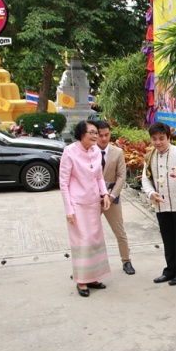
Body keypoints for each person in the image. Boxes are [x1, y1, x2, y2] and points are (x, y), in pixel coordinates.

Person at [59, 120, 111, 297]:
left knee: (95, 239)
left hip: (93, 203)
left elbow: (99, 177)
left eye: (97, 132)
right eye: (92, 132)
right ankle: (81, 281)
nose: (96, 135)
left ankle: (94, 277)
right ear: (81, 134)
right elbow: (63, 183)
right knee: (82, 241)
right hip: (77, 204)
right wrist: (68, 210)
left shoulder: (96, 151)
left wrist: (105, 195)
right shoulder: (70, 152)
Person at [142, 122, 176, 286]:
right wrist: (151, 193)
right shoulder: (150, 156)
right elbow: (145, 178)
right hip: (161, 203)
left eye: (161, 138)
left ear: (168, 137)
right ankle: (170, 270)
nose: (158, 142)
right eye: (154, 139)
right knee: (167, 238)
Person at [95, 120, 135, 275]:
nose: (104, 138)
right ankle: (86, 266)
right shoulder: (88, 152)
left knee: (120, 231)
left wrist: (111, 196)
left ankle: (126, 261)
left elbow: (121, 177)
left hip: (112, 198)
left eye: (107, 135)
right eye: (100, 135)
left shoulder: (117, 152)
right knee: (89, 232)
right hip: (93, 198)